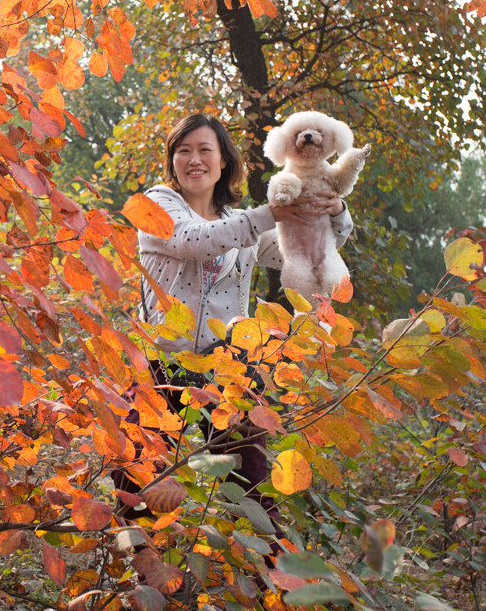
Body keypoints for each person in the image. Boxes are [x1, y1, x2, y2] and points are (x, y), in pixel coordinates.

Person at [118, 113, 353, 539]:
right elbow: (193, 241)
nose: (194, 160)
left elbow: (300, 250)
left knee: (250, 485)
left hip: (229, 367)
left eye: (204, 150)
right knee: (136, 479)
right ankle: (137, 575)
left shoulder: (240, 218)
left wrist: (333, 211)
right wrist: (271, 213)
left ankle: (266, 580)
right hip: (159, 365)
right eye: (183, 150)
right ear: (171, 160)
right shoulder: (156, 206)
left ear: (223, 161)